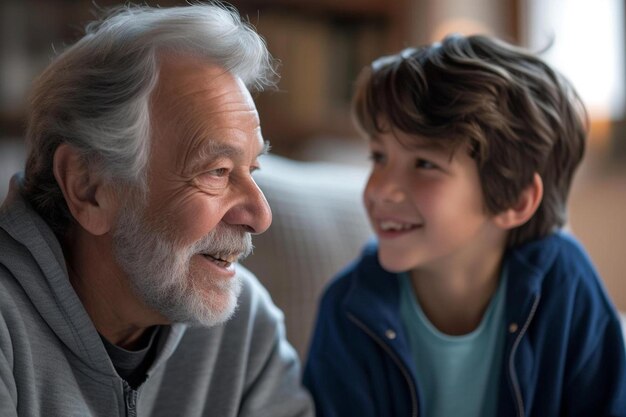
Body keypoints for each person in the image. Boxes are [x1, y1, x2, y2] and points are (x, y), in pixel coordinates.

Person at [0, 3, 314, 417]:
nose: (260, 215)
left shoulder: (241, 324)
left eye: (251, 169)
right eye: (217, 171)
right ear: (89, 187)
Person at [304, 34, 626, 417]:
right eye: (378, 156)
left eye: (425, 163)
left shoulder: (564, 283)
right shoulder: (349, 307)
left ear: (514, 200)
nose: (380, 189)